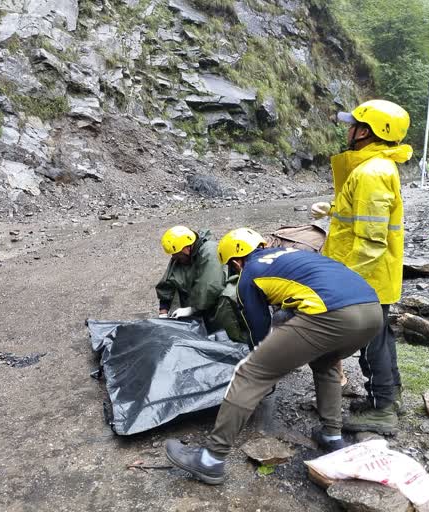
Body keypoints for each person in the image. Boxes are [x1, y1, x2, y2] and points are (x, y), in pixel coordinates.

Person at [164, 228, 383, 485]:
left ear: (236, 262)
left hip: (333, 314)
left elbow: (260, 329)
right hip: (372, 312)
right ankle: (331, 435)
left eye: (233, 269)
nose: (236, 274)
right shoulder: (288, 255)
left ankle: (211, 459)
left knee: (251, 372)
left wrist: (267, 363)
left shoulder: (250, 274)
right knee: (326, 363)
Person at [310, 99, 410, 435]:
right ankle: (387, 396)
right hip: (373, 274)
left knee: (373, 341)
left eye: (352, 124)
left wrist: (345, 281)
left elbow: (371, 240)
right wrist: (333, 208)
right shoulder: (375, 168)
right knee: (379, 337)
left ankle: (382, 410)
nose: (348, 130)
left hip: (367, 275)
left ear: (365, 131)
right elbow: (361, 212)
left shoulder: (372, 173)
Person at [156, 226, 244, 340]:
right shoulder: (180, 257)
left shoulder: (210, 252)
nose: (174, 258)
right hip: (198, 305)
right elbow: (167, 283)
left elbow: (211, 286)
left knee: (227, 297)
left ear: (186, 249)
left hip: (217, 304)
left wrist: (193, 309)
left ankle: (230, 338)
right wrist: (163, 312)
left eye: (176, 254)